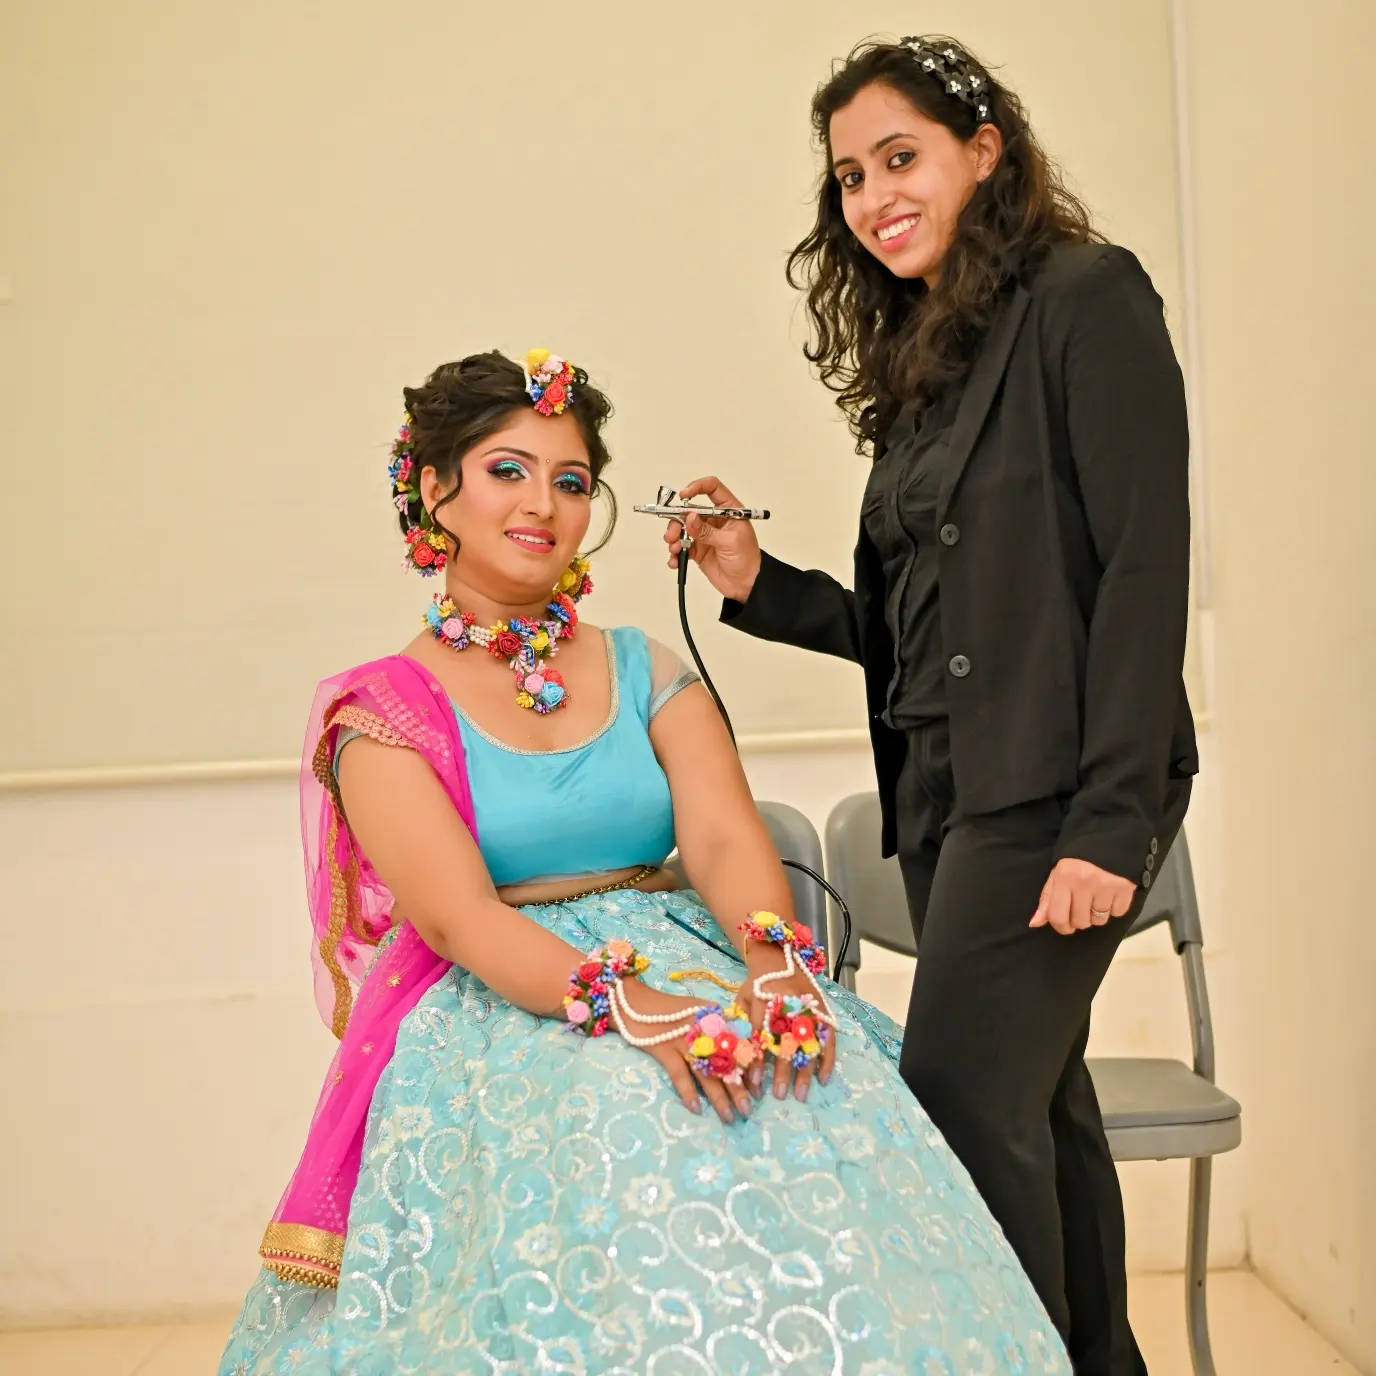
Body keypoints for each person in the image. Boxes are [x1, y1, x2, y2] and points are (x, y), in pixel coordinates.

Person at [218, 348, 1070, 1374]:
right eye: (506, 470)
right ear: (434, 489)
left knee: (808, 1071)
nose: (543, 503)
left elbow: (720, 837)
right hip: (505, 993)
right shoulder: (382, 712)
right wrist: (628, 1007)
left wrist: (775, 966)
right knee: (627, 1103)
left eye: (571, 480)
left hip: (682, 940)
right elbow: (458, 918)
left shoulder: (643, 666)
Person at [667, 35, 1197, 1376]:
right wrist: (759, 584)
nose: (872, 196)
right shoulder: (930, 358)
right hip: (951, 798)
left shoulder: (1086, 298)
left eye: (899, 157)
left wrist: (1113, 820)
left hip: (1059, 792)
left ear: (984, 150)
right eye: (849, 176)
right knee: (1042, 1114)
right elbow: (933, 638)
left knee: (961, 1110)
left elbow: (1144, 570)